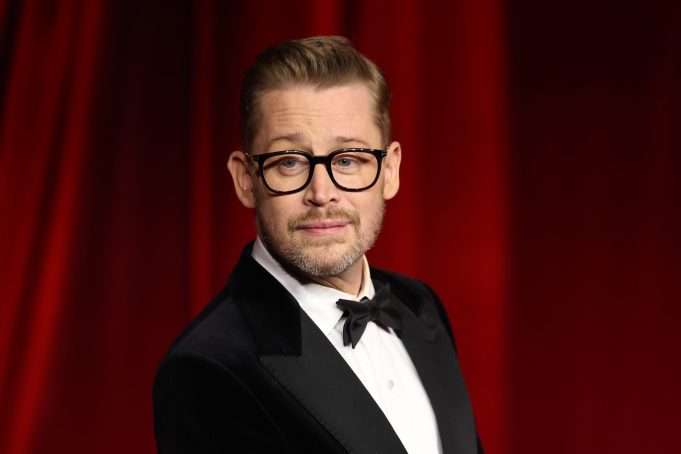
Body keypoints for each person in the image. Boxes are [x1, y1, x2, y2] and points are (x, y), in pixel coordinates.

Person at [153, 36, 482, 454]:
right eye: (289, 162)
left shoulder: (420, 306)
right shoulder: (207, 369)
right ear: (244, 179)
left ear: (390, 171)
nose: (322, 192)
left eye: (348, 159)